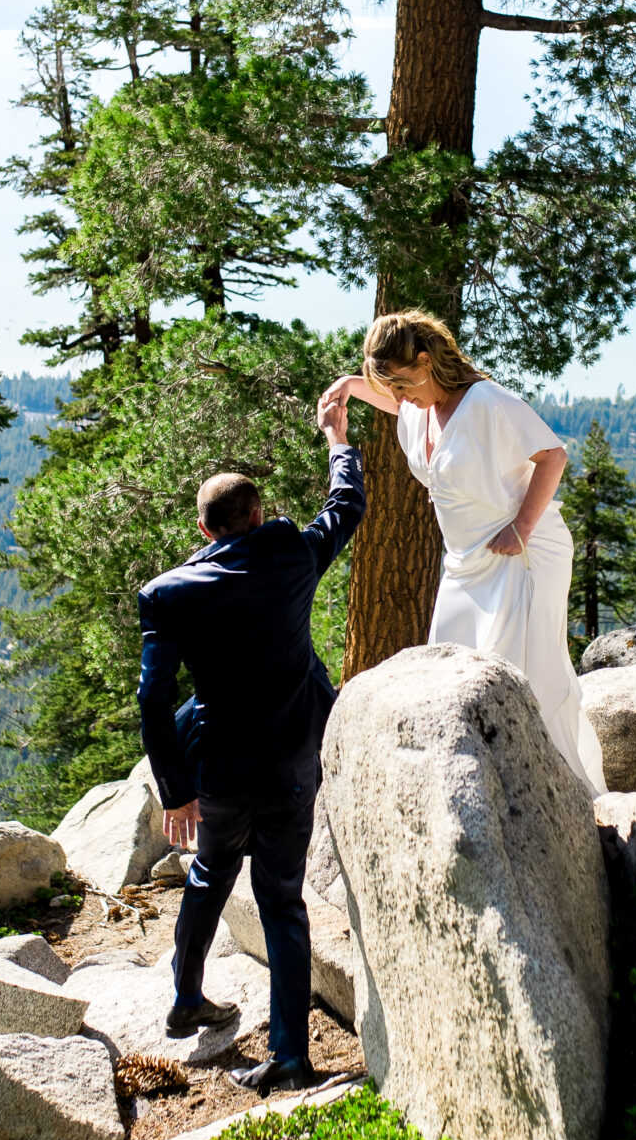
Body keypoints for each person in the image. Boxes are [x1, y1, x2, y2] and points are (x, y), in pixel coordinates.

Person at [137, 392, 364, 1097]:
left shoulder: (169, 593)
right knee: (282, 901)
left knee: (209, 876)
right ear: (259, 516)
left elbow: (152, 696)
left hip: (221, 771)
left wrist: (176, 790)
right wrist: (337, 438)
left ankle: (185, 999)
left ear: (202, 528)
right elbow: (345, 505)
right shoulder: (292, 555)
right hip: (294, 762)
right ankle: (292, 1054)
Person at [317, 310, 605, 791]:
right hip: (464, 565)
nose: (398, 399)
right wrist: (351, 384)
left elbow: (553, 456)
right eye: (390, 390)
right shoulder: (418, 404)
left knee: (521, 678)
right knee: (449, 677)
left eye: (403, 385)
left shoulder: (486, 401)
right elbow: (396, 403)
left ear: (426, 362)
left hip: (521, 557)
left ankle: (558, 798)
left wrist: (522, 527)